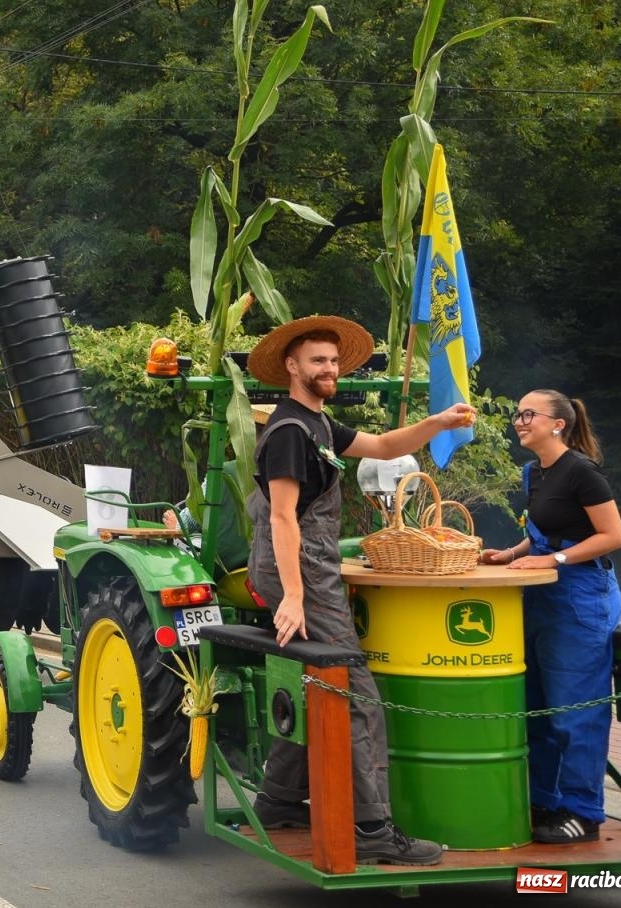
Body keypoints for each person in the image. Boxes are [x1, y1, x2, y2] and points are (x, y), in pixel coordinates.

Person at [244, 315, 475, 867]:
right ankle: (372, 828)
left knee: (312, 681)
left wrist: (438, 422)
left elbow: (384, 443)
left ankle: (277, 800)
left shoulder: (320, 425)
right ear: (292, 368)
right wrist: (296, 597)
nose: (328, 369)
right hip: (297, 567)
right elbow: (281, 518)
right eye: (316, 361)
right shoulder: (289, 432)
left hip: (313, 566)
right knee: (356, 691)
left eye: (333, 361)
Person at [479, 391, 621, 844]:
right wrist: (512, 553)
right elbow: (544, 532)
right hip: (541, 598)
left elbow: (611, 536)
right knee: (538, 706)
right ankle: (542, 801)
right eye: (518, 414)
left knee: (575, 710)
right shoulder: (533, 473)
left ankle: (583, 812)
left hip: (581, 596)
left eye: (528, 414)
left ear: (558, 424)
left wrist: (555, 562)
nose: (519, 421)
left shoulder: (582, 471)